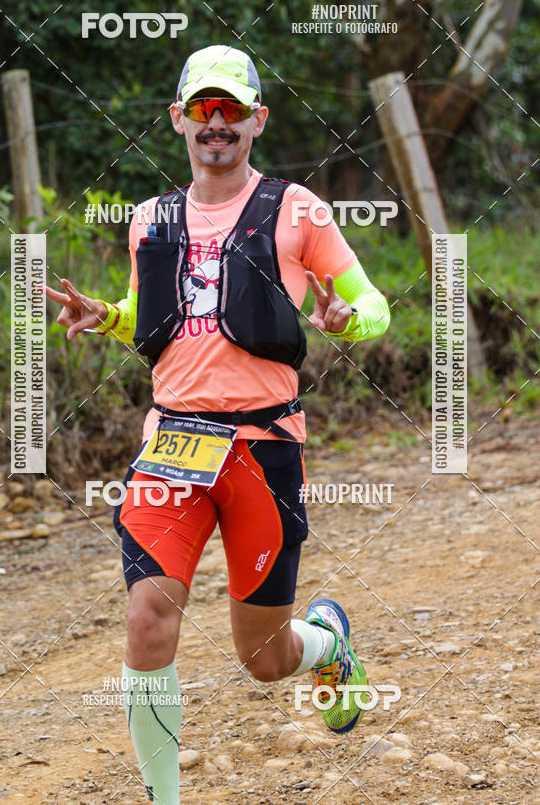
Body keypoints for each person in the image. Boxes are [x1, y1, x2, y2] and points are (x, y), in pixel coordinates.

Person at [45, 45, 390, 804]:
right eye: (203, 108)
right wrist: (106, 317)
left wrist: (344, 318)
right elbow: (163, 316)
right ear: (178, 120)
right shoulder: (151, 219)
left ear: (257, 120)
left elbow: (374, 304)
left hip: (264, 449)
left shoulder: (298, 210)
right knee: (147, 621)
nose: (216, 123)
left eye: (231, 108)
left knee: (263, 660)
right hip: (172, 447)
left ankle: (329, 642)